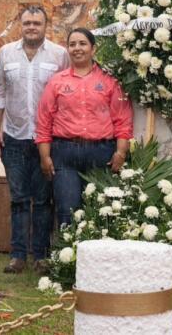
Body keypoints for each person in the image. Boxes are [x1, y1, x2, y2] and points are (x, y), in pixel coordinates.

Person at [0, 5, 68, 275]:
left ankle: (41, 256)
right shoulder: (5, 53)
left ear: (46, 25)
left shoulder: (60, 55)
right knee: (19, 199)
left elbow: (65, 92)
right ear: (19, 25)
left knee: (44, 200)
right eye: (27, 23)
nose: (32, 27)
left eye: (37, 23)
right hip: (14, 135)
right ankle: (18, 255)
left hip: (47, 139)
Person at [36, 28, 132, 228]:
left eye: (82, 44)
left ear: (93, 48)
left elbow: (122, 120)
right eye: (72, 44)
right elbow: (44, 121)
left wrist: (121, 152)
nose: (77, 48)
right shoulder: (57, 82)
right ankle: (68, 258)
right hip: (65, 153)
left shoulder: (109, 81)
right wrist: (45, 156)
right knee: (67, 209)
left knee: (100, 210)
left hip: (101, 154)